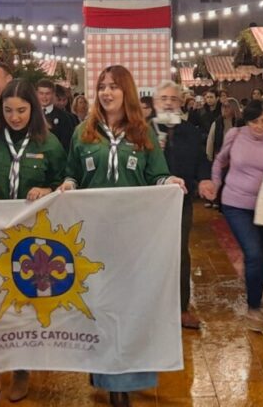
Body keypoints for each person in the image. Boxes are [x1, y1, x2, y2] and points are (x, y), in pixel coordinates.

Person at [58, 65, 186, 407]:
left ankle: (122, 382)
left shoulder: (142, 132)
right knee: (98, 304)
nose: (106, 92)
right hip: (92, 235)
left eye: (114, 86)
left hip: (133, 236)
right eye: (102, 86)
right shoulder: (83, 132)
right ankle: (103, 368)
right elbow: (71, 173)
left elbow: (155, 174)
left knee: (128, 305)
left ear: (126, 92)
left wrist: (168, 182)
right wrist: (69, 184)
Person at [0, 79, 66, 406]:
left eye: (22, 110)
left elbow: (63, 184)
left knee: (23, 305)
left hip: (32, 240)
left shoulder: (48, 144)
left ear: (33, 110)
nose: (15, 116)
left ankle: (22, 369)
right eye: (8, 110)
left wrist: (48, 191)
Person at [202, 100, 263, 332]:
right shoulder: (235, 134)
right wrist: (215, 182)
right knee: (253, 253)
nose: (260, 127)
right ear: (247, 121)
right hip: (236, 203)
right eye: (254, 122)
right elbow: (220, 160)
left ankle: (255, 293)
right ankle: (254, 308)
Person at [152, 80, 216, 330]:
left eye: (173, 99)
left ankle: (181, 309)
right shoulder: (143, 130)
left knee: (179, 253)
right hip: (149, 204)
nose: (168, 102)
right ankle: (151, 307)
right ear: (156, 103)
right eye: (163, 98)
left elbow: (201, 159)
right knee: (151, 254)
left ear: (181, 103)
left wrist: (204, 179)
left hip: (181, 200)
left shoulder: (190, 130)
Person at [37, 78, 79, 152]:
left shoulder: (64, 117)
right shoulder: (31, 114)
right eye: (41, 93)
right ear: (37, 94)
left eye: (47, 94)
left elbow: (67, 144)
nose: (44, 97)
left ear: (53, 95)